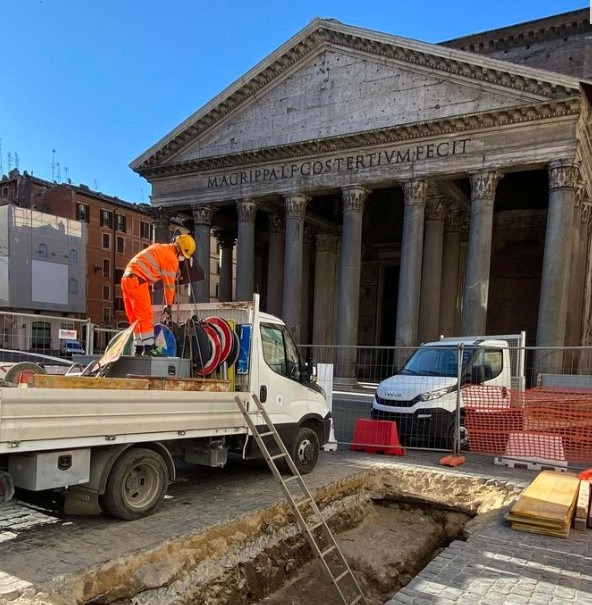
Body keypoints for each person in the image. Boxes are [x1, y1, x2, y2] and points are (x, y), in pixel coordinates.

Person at [121, 234, 196, 356]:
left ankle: (138, 348)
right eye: (183, 254)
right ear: (180, 249)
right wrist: (169, 304)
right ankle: (149, 347)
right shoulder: (171, 258)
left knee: (135, 317)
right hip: (138, 280)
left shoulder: (161, 248)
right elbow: (169, 285)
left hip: (126, 279)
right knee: (145, 314)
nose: (182, 257)